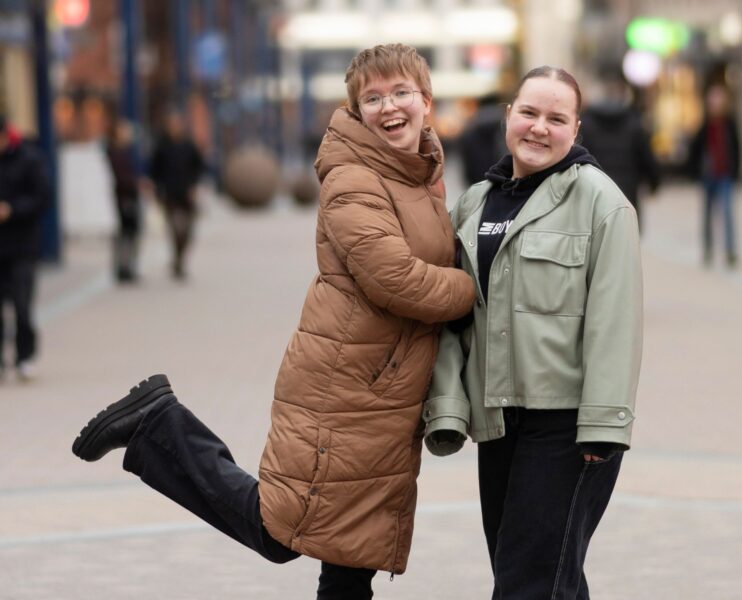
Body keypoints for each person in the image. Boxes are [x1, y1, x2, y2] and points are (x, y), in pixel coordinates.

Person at [72, 44, 475, 598]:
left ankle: (158, 424)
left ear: (426, 101)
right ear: (356, 112)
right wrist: (474, 288)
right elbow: (397, 280)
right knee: (282, 530)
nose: (389, 107)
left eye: (401, 93)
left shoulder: (419, 174)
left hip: (382, 390)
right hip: (346, 388)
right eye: (373, 98)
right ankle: (159, 426)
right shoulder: (353, 178)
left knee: (349, 552)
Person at [423, 66, 643, 599]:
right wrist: (450, 409)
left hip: (567, 429)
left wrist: (602, 429)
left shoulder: (602, 203)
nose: (539, 128)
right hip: (498, 425)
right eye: (529, 113)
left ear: (576, 129)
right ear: (508, 117)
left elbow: (616, 323)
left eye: (556, 118)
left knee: (527, 584)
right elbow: (454, 322)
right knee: (540, 577)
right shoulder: (474, 204)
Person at [0, 114, 49, 382]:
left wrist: (12, 209)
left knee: (21, 305)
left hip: (22, 246)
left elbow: (42, 197)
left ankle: (24, 356)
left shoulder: (28, 159)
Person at [580, 74, 659, 227]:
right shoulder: (634, 122)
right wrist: (654, 182)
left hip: (594, 194)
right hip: (627, 193)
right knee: (626, 240)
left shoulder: (586, 123)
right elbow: (646, 156)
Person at [149, 110, 204, 280]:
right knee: (174, 228)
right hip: (169, 194)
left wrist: (194, 186)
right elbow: (154, 170)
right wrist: (157, 190)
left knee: (187, 230)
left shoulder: (188, 145)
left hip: (186, 194)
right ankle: (176, 259)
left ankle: (180, 259)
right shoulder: (162, 146)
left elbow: (199, 166)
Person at [689, 85, 741, 267]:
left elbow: (736, 148)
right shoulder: (705, 126)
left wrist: (735, 172)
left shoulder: (730, 124)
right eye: (712, 102)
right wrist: (695, 171)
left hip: (725, 174)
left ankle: (730, 250)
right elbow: (695, 149)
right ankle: (708, 248)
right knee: (707, 215)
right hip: (708, 175)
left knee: (727, 213)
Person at [105, 118, 143, 283]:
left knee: (128, 234)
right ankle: (124, 267)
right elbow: (122, 178)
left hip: (126, 197)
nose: (128, 134)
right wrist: (135, 184)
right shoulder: (115, 154)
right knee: (127, 233)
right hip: (124, 198)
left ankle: (126, 266)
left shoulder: (123, 152)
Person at [459, 93, 507, 185]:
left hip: (477, 181)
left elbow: (466, 158)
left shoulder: (470, 128)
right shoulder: (504, 127)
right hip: (501, 179)